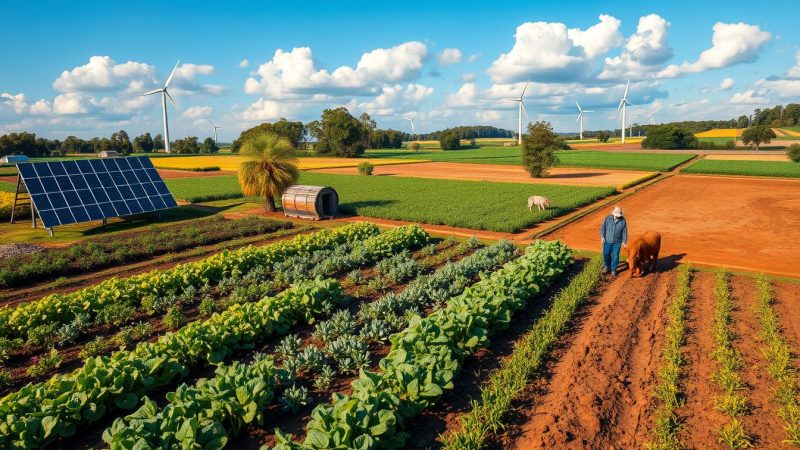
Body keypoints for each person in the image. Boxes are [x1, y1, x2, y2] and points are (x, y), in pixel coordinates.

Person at [600, 205, 628, 276]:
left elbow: (624, 232)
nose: (617, 216)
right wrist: (602, 236)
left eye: (618, 215)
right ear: (613, 214)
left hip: (617, 242)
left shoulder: (623, 221)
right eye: (616, 215)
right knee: (606, 254)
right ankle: (607, 266)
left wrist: (624, 241)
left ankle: (613, 269)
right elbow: (603, 227)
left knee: (615, 256)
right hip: (607, 241)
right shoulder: (607, 218)